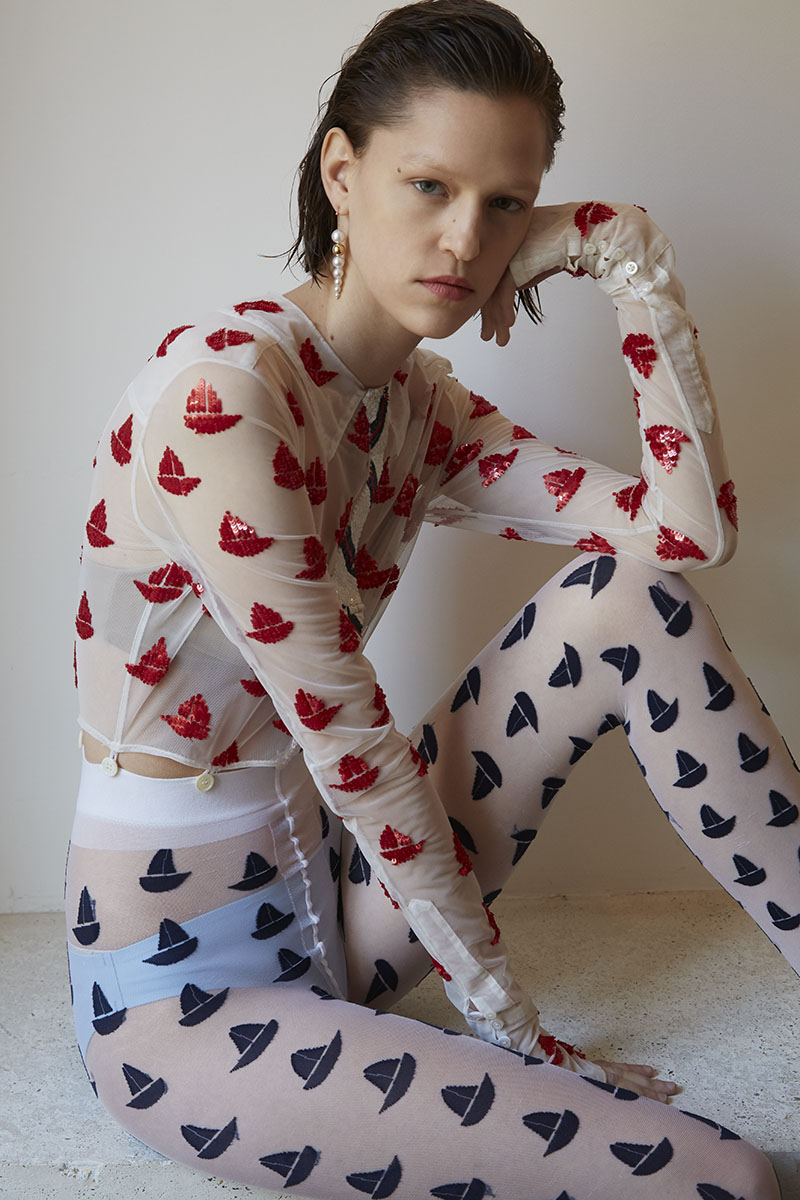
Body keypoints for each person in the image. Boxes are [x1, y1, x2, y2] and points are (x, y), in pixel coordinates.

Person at [66, 2, 794, 1196]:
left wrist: (622, 254)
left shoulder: (420, 409)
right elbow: (353, 750)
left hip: (339, 904)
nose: (464, 241)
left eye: (505, 204)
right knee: (721, 1178)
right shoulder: (223, 402)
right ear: (340, 175)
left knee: (627, 597)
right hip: (181, 987)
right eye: (427, 186)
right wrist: (515, 1031)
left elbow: (683, 533)